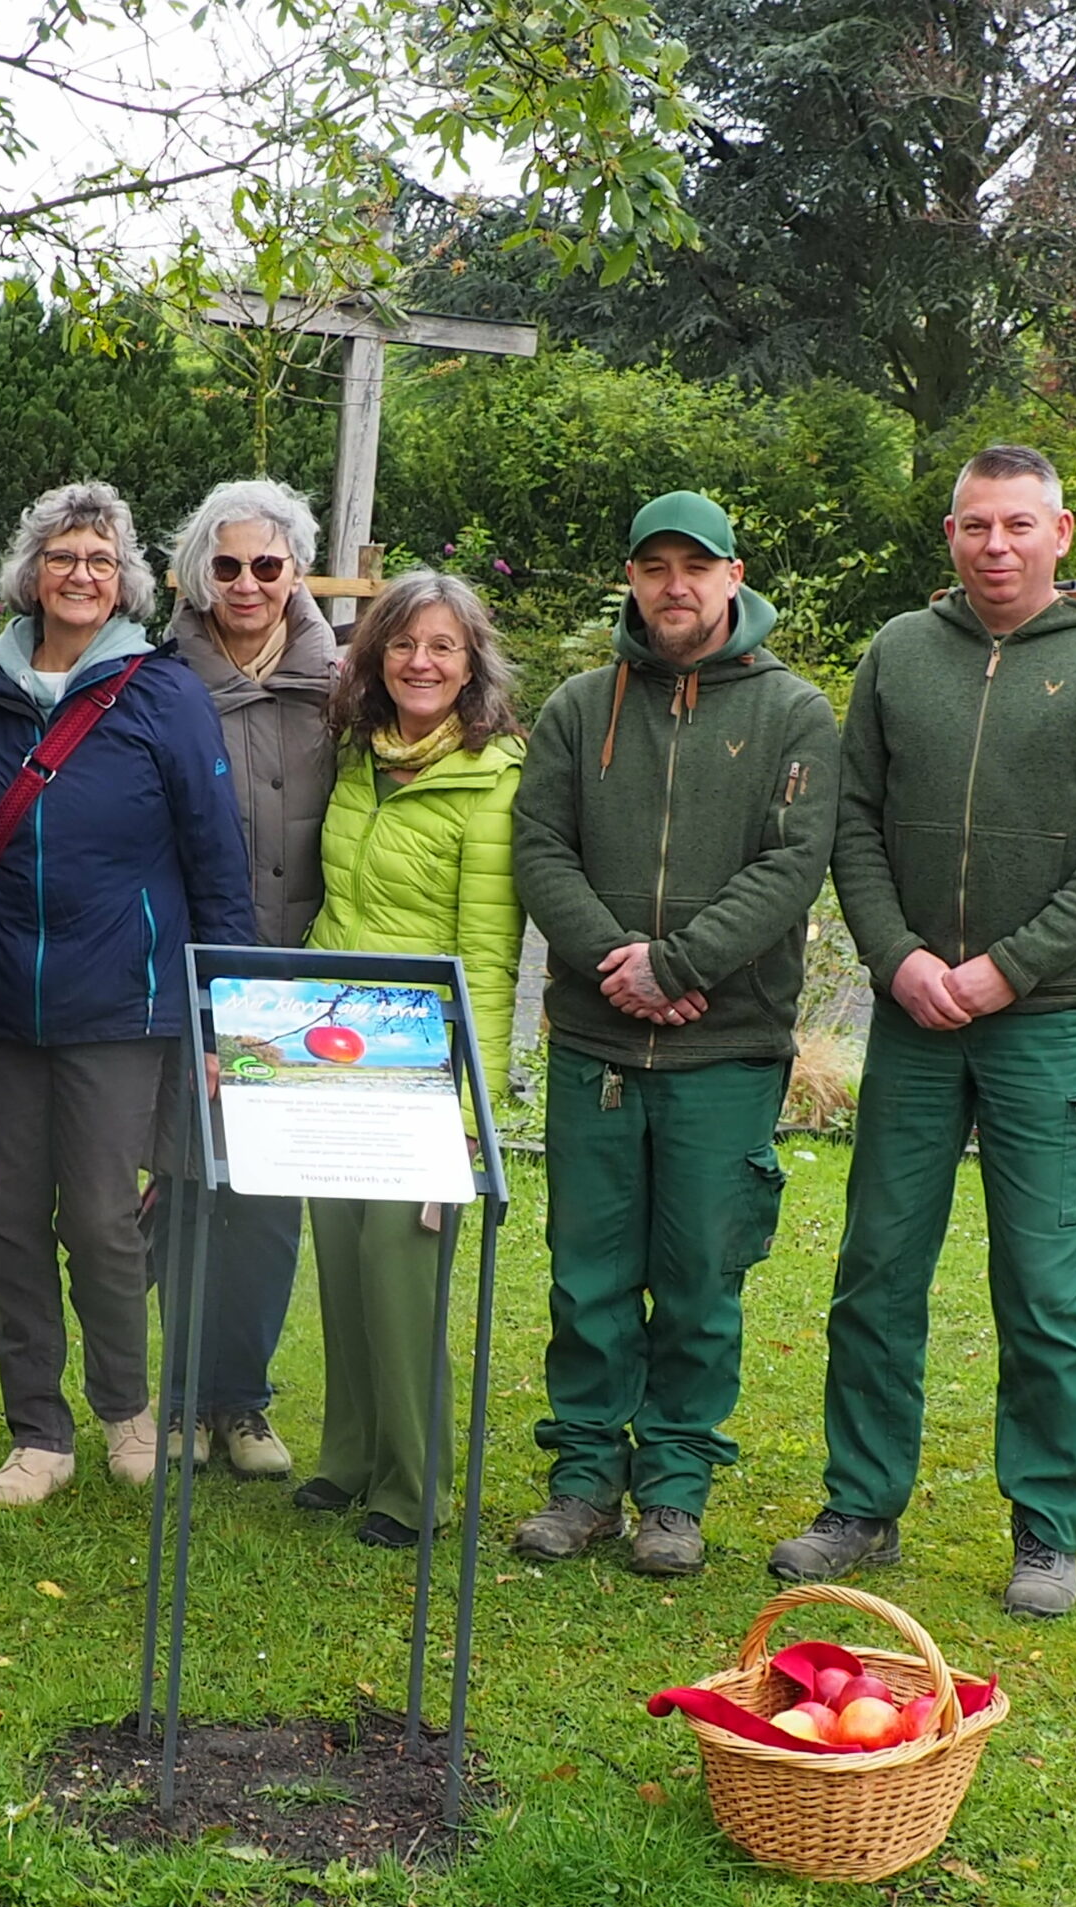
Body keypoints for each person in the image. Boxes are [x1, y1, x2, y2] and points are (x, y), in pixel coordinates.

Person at [769, 445, 1076, 1619]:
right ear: (948, 535)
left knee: (1043, 1284)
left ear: (1061, 534)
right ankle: (860, 1506)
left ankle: (1047, 1528)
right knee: (876, 1269)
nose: (993, 546)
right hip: (913, 1015)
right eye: (971, 526)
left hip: (1043, 1022)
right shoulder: (901, 654)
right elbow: (849, 818)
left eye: (1016, 526)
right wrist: (895, 955)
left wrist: (1006, 969)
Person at [508, 492, 839, 1576]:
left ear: (734, 576)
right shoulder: (576, 706)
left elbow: (791, 867)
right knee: (587, 1275)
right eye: (653, 567)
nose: (674, 586)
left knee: (701, 1278)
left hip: (724, 1050)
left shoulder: (791, 714)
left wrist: (680, 965)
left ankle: (676, 1494)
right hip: (596, 1046)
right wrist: (621, 962)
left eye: (695, 567)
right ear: (632, 580)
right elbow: (540, 848)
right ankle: (584, 1481)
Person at [0, 481, 257, 1507]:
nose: (79, 575)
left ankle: (127, 1409)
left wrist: (220, 1010)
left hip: (120, 1007)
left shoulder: (161, 693)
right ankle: (36, 1432)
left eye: (98, 558)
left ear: (122, 577)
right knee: (3, 1217)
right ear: (30, 572)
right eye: (61, 556)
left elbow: (218, 861)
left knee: (99, 1215)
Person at [299, 570, 525, 1550]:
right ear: (373, 658)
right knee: (342, 1265)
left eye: (441, 647)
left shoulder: (493, 779)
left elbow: (488, 955)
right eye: (402, 645)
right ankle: (349, 1458)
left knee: (401, 1272)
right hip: (328, 1050)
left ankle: (414, 1488)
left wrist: (468, 1121)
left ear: (471, 663)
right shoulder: (357, 761)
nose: (420, 663)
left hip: (425, 1070)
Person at [149, 478, 340, 1481]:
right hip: (189, 970)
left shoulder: (341, 683)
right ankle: (178, 1397)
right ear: (197, 573)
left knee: (268, 1202)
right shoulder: (156, 676)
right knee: (187, 1190)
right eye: (225, 566)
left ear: (295, 572)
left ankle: (243, 1402)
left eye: (267, 565)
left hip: (297, 978)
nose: (246, 583)